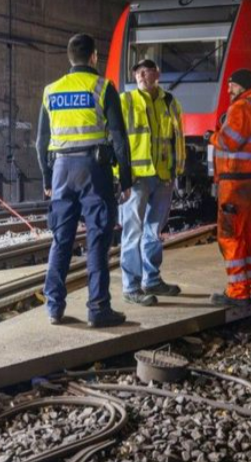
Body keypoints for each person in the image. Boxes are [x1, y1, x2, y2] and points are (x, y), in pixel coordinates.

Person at [36, 34, 132, 328]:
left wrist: (47, 179)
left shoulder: (51, 90)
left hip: (62, 170)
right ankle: (98, 308)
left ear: (70, 58)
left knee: (61, 240)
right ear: (94, 57)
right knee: (97, 240)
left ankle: (54, 308)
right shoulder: (103, 87)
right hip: (94, 171)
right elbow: (118, 137)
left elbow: (41, 141)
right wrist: (126, 179)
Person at [116, 59, 186, 306]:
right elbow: (115, 139)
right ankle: (132, 286)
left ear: (158, 73)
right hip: (136, 178)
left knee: (154, 232)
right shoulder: (126, 101)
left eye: (146, 71)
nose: (141, 75)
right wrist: (120, 174)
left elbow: (178, 138)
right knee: (132, 232)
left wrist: (177, 171)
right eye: (137, 72)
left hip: (163, 176)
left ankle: (152, 280)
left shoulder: (170, 102)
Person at [207, 69, 251, 307]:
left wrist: (211, 137)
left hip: (235, 181)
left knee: (229, 235)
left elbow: (229, 141)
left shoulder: (242, 107)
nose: (228, 90)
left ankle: (237, 291)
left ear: (242, 86)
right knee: (248, 234)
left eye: (231, 85)